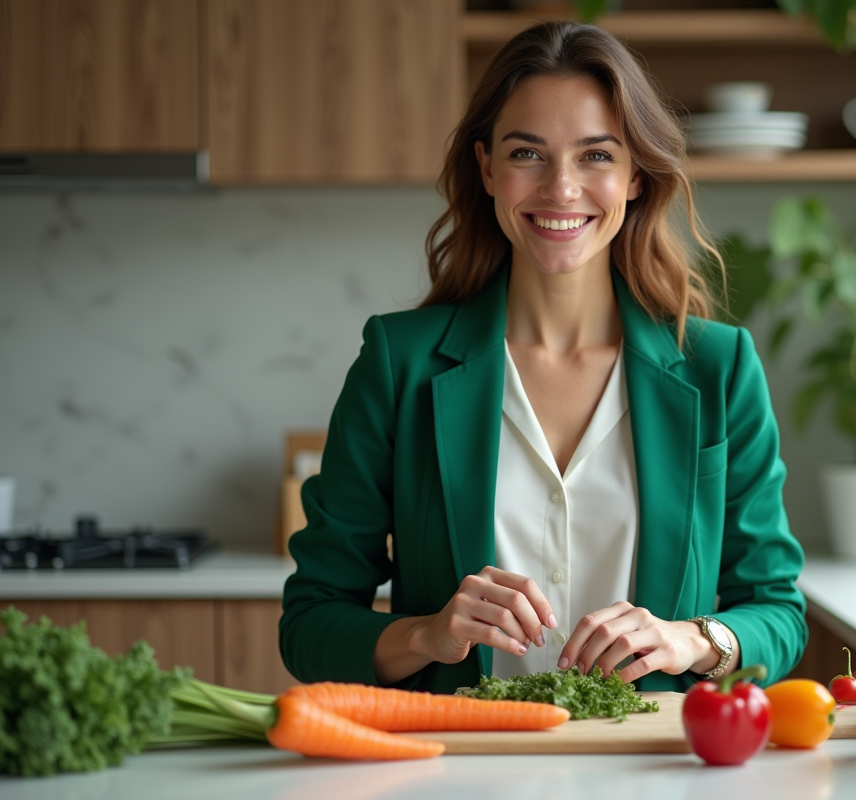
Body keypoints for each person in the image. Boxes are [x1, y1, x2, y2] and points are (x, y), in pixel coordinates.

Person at [280, 20, 806, 694]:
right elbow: (309, 623)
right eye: (528, 154)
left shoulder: (720, 366)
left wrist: (688, 640)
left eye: (595, 156)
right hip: (459, 773)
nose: (561, 188)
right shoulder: (398, 363)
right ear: (487, 169)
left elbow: (780, 613)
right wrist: (427, 632)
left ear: (636, 176)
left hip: (653, 776)